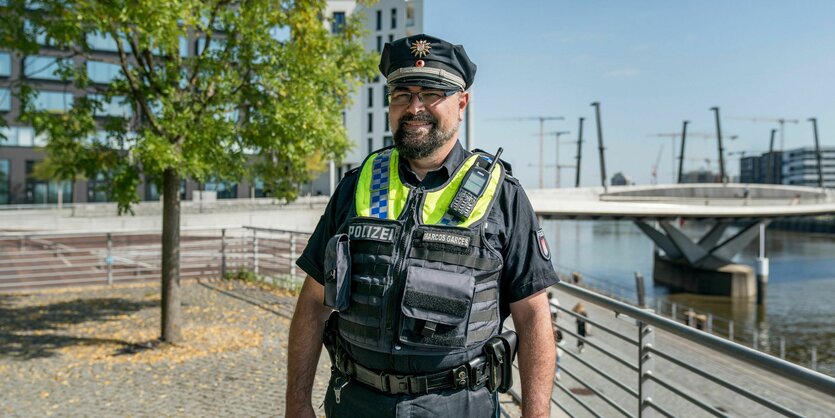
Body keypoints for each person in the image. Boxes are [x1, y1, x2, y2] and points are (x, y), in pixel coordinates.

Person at [285, 34, 559, 418]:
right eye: (401, 94)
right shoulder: (355, 186)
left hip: (460, 407)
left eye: (432, 93)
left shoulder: (503, 197)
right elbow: (313, 303)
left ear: (461, 104)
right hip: (354, 404)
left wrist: (536, 414)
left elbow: (533, 317)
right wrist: (296, 404)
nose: (414, 107)